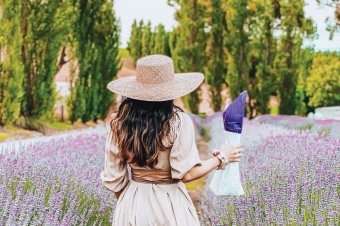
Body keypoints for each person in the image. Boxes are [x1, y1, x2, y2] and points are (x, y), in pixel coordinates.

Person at [101, 55, 243, 226]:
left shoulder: (119, 124)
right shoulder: (178, 122)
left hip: (132, 204)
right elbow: (187, 174)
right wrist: (221, 158)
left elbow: (114, 180)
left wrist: (130, 202)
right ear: (171, 91)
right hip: (170, 205)